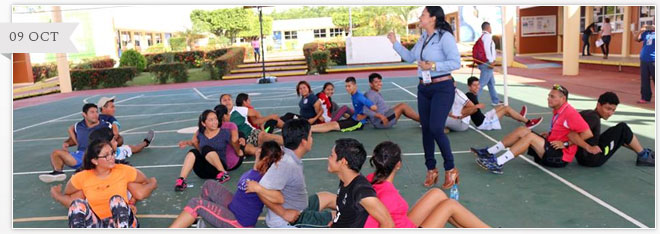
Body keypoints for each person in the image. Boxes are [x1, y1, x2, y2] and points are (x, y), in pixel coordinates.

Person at [388, 6, 461, 188]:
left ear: (433, 18)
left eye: (423, 15)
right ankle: (431, 170)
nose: (420, 17)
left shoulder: (445, 37)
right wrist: (395, 43)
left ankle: (450, 169)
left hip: (442, 88)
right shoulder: (423, 38)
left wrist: (433, 66)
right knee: (426, 130)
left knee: (436, 128)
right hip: (424, 88)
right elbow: (410, 57)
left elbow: (456, 62)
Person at [471, 84, 596, 174]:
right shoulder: (559, 110)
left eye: (552, 96)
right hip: (551, 147)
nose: (549, 98)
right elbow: (563, 130)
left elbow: (587, 133)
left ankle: (497, 163)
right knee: (522, 130)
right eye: (549, 95)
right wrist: (549, 134)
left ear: (563, 99)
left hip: (560, 157)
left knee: (530, 137)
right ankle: (489, 152)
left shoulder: (570, 113)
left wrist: (566, 143)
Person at [364, 141, 490, 228]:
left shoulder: (369, 180)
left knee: (437, 194)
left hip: (400, 223)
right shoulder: (389, 195)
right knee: (450, 205)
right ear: (398, 165)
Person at [245, 119, 336, 228]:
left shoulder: (289, 155)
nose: (312, 139)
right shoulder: (286, 163)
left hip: (299, 208)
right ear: (303, 141)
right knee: (338, 218)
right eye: (310, 136)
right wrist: (283, 213)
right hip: (290, 220)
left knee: (328, 197)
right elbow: (260, 189)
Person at [169, 141, 283, 228]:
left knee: (196, 204)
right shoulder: (256, 170)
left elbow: (279, 198)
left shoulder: (265, 177)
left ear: (261, 153)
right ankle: (197, 219)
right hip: (233, 206)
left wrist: (259, 188)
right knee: (209, 185)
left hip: (239, 222)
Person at [49, 139, 157, 228]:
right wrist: (57, 195)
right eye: (106, 156)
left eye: (112, 153)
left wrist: (132, 202)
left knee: (116, 200)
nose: (111, 158)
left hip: (123, 223)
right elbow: (71, 201)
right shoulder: (82, 178)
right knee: (77, 205)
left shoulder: (124, 171)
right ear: (95, 161)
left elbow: (143, 184)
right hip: (99, 224)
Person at [574, 92, 655, 167]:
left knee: (616, 132)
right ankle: (644, 156)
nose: (610, 113)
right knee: (623, 128)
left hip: (584, 157)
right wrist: (567, 144)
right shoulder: (593, 118)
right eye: (608, 109)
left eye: (613, 110)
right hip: (592, 158)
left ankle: (643, 152)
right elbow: (578, 135)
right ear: (598, 105)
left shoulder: (587, 113)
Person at [327, 138, 394, 228]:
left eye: (331, 155)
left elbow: (388, 223)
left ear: (343, 162)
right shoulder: (346, 180)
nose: (328, 158)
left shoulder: (362, 191)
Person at [39, 103, 112, 183]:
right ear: (84, 114)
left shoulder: (105, 126)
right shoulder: (78, 126)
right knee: (56, 153)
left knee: (82, 175)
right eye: (92, 112)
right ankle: (58, 172)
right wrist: (67, 143)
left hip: (96, 156)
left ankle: (88, 171)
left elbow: (115, 139)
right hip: (80, 155)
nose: (95, 115)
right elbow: (76, 136)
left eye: (96, 112)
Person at [174, 110, 241, 191]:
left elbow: (234, 143)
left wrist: (241, 143)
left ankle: (224, 174)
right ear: (203, 123)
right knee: (193, 152)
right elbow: (195, 143)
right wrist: (186, 142)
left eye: (215, 119)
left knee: (205, 148)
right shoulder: (200, 134)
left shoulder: (224, 132)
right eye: (211, 120)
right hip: (203, 171)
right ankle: (181, 180)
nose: (215, 122)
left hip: (218, 168)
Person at [446, 77, 543, 132]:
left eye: (478, 84)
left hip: (484, 117)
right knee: (506, 109)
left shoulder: (470, 95)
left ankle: (519, 117)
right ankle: (528, 122)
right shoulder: (470, 96)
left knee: (502, 107)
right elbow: (466, 111)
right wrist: (475, 107)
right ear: (469, 87)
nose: (477, 87)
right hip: (483, 124)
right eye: (474, 85)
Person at [96, 97, 155, 163]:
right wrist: (112, 143)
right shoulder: (111, 119)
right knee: (129, 146)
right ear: (104, 108)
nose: (114, 109)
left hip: (95, 152)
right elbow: (115, 133)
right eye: (112, 107)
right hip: (110, 153)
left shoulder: (94, 119)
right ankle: (146, 142)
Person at [311, 77, 378, 133]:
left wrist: (364, 116)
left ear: (355, 86)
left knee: (332, 126)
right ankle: (308, 128)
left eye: (349, 86)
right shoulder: (354, 95)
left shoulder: (359, 97)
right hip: (353, 118)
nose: (347, 88)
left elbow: (374, 107)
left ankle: (308, 130)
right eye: (346, 86)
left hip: (357, 123)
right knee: (331, 124)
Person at [220, 94, 284, 148]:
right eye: (224, 100)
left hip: (251, 134)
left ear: (232, 102)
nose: (227, 102)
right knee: (251, 150)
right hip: (238, 140)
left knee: (269, 137)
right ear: (221, 103)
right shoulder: (218, 114)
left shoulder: (240, 109)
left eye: (229, 99)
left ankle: (291, 142)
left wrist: (263, 129)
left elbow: (256, 114)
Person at [475, 21, 502, 106]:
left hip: (484, 63)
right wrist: (491, 61)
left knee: (491, 83)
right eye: (490, 27)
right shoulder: (487, 37)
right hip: (487, 63)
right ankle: (472, 102)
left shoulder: (482, 36)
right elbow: (488, 49)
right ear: (488, 28)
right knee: (481, 84)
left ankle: (495, 100)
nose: (491, 29)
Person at [635, 24, 655, 104]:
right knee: (644, 80)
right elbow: (636, 39)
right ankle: (645, 98)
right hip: (644, 60)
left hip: (654, 60)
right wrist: (640, 31)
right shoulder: (646, 33)